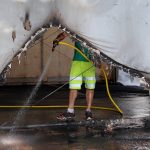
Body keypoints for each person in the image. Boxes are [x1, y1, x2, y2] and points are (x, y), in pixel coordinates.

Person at [52, 32, 96, 121]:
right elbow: (64, 34)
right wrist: (57, 40)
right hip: (77, 62)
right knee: (73, 87)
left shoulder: (94, 30)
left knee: (90, 87)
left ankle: (88, 111)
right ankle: (70, 112)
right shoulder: (77, 29)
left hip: (90, 63)